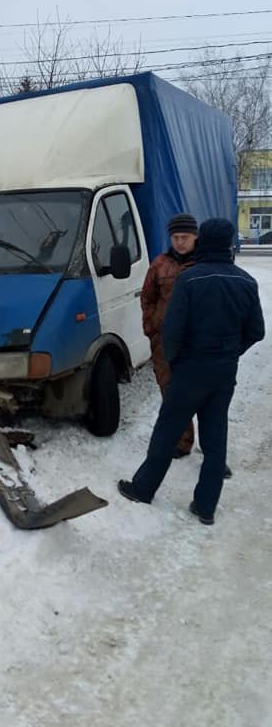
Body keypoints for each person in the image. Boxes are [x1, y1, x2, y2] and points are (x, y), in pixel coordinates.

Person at [118, 218, 265, 525]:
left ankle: (143, 489)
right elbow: (256, 331)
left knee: (167, 432)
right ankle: (206, 507)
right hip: (224, 372)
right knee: (215, 436)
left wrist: (175, 361)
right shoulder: (246, 281)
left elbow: (172, 331)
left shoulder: (190, 279)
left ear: (203, 241)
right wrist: (230, 353)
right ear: (228, 244)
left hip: (189, 370)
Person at [141, 213, 198, 458]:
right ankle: (181, 442)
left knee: (203, 397)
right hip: (164, 343)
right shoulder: (160, 264)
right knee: (171, 394)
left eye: (185, 237)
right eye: (175, 237)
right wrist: (151, 328)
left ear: (195, 237)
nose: (180, 242)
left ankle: (213, 449)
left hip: (196, 343)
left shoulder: (205, 264)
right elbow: (147, 298)